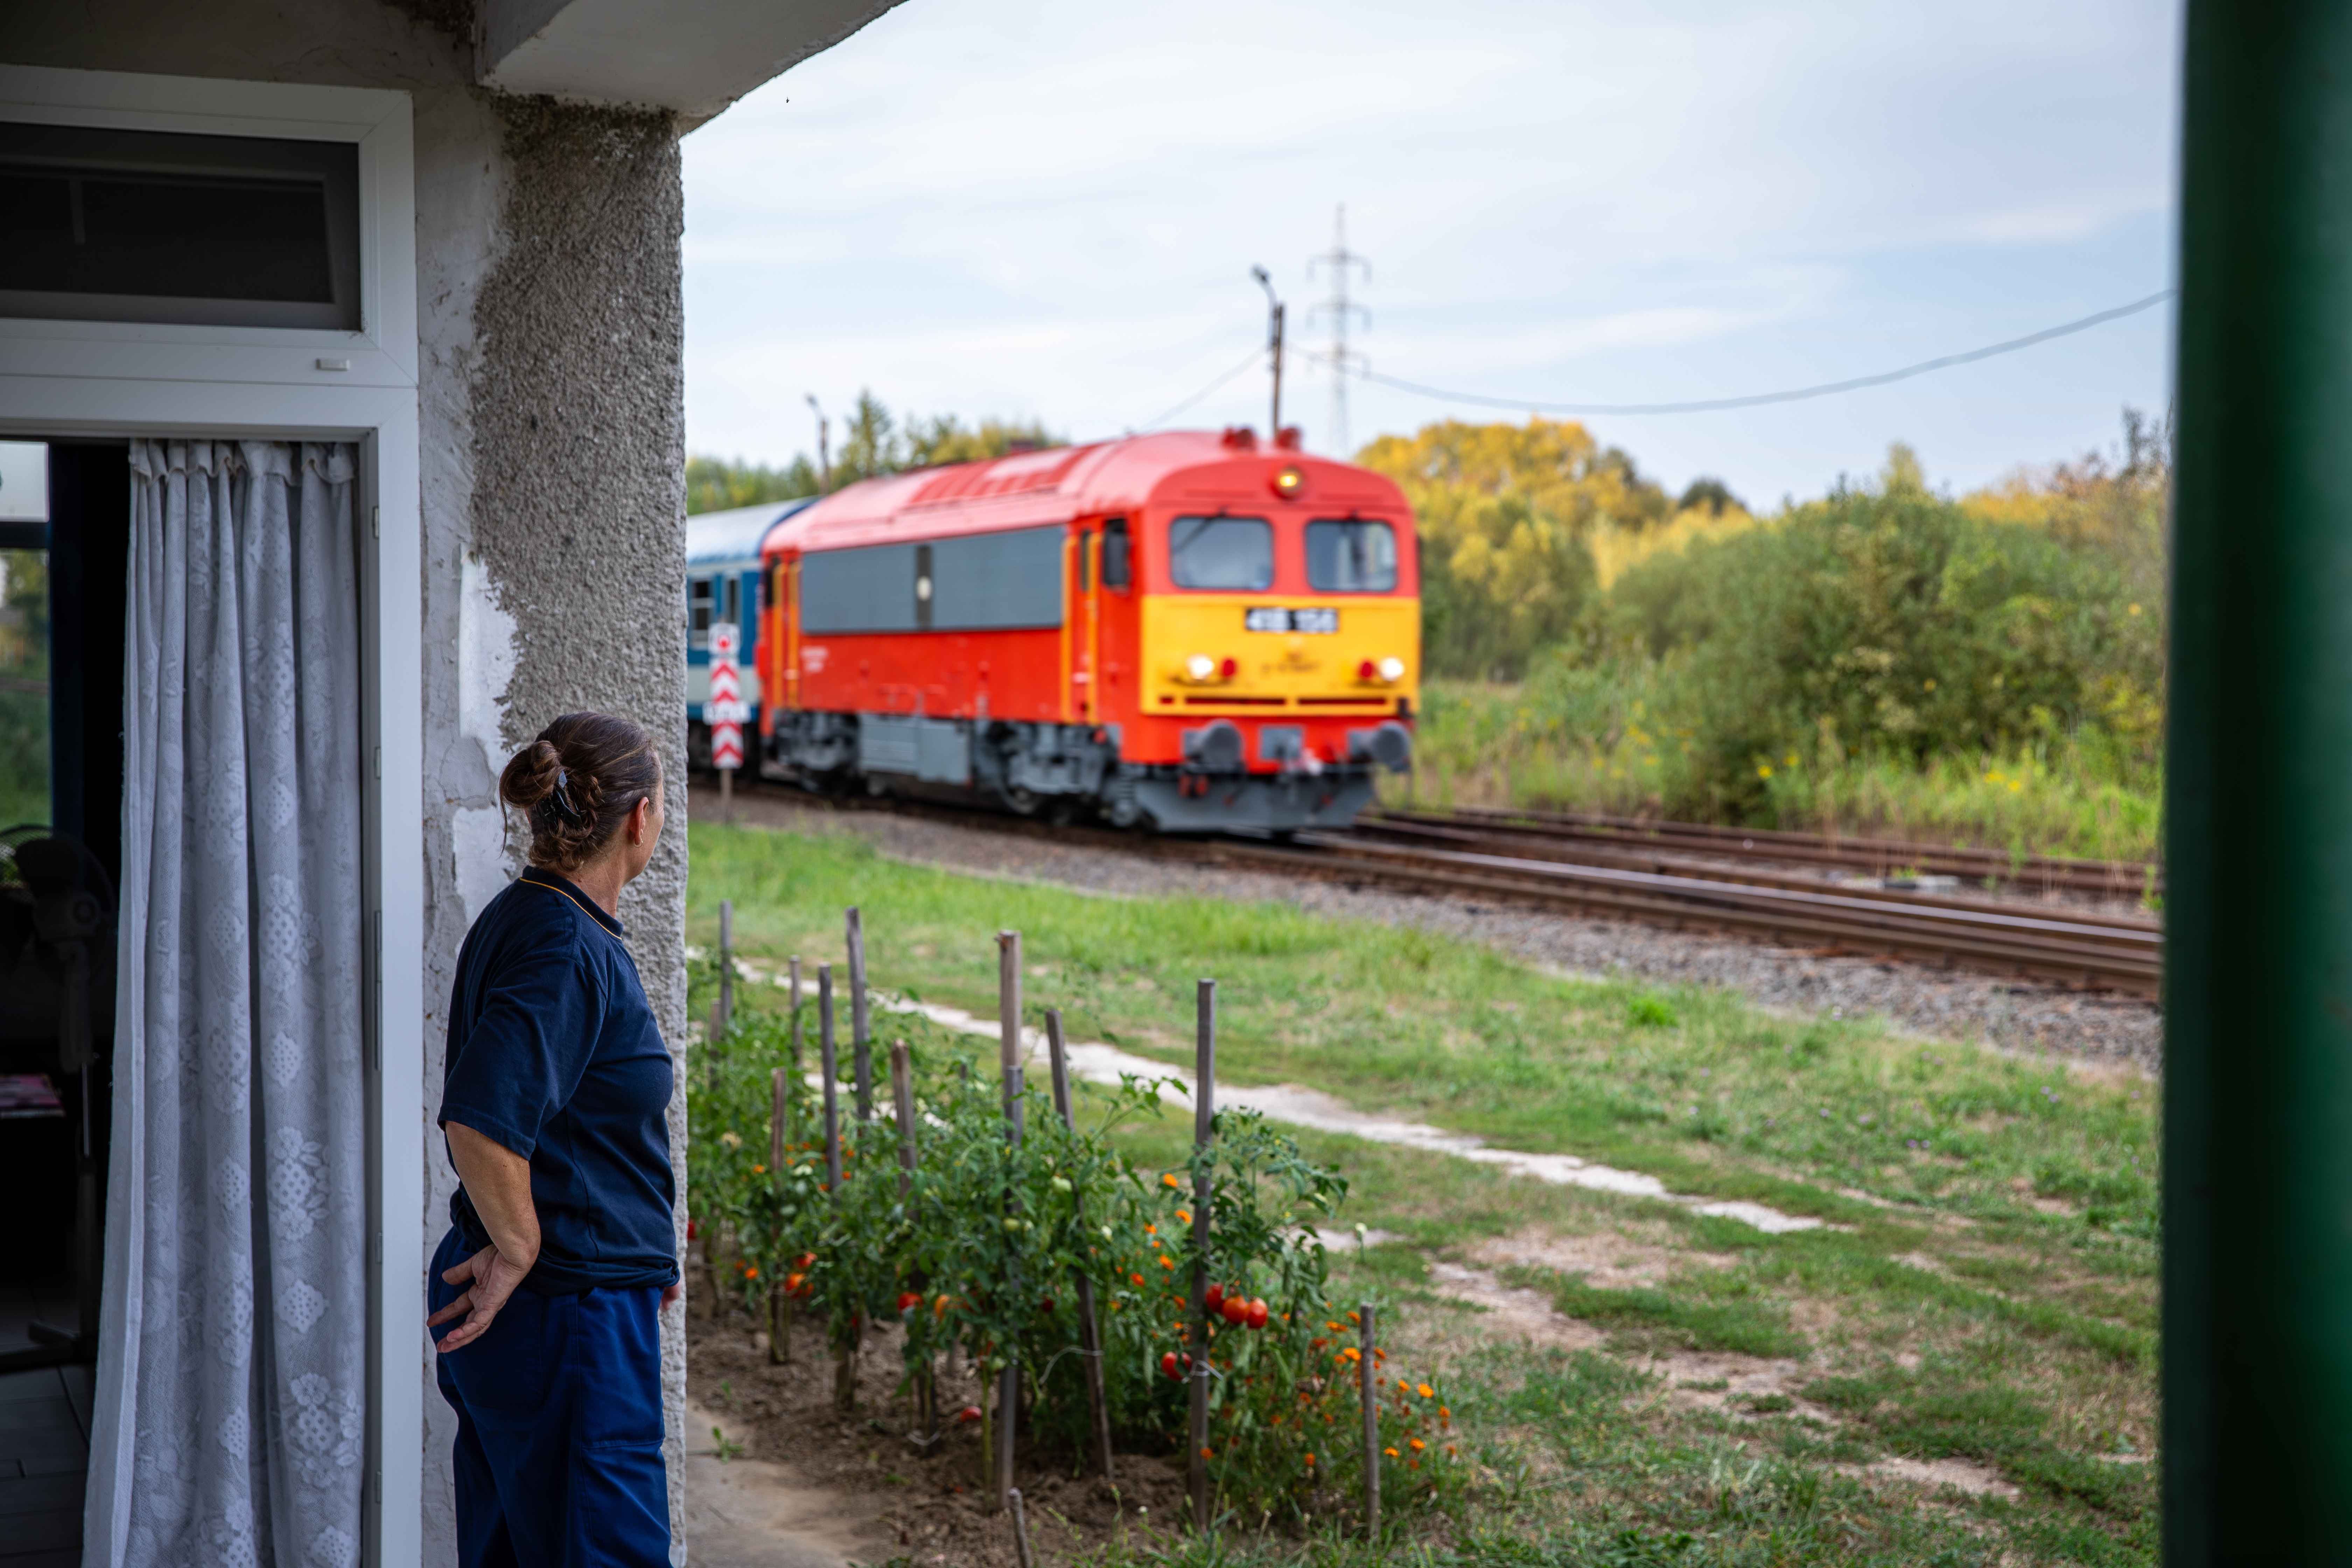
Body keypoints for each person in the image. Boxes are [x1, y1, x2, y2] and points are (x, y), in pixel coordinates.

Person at [428, 712, 681, 1567]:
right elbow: (481, 1118)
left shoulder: (537, 917)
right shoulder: (564, 944)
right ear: (640, 817)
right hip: (571, 1323)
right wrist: (523, 1243)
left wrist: (643, 1254)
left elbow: (572, 1128)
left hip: (573, 1313)